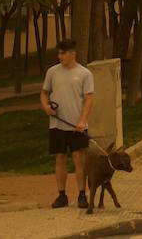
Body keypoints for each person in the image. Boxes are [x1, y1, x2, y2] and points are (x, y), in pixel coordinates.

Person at [40, 39, 95, 209]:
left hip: (77, 125)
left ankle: (82, 195)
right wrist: (46, 107)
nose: (60, 56)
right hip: (57, 124)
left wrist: (82, 121)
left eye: (63, 53)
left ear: (73, 54)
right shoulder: (52, 72)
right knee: (60, 157)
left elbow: (89, 99)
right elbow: (44, 92)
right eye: (59, 53)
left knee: (79, 157)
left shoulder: (84, 73)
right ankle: (61, 195)